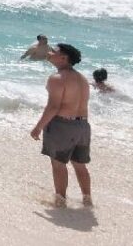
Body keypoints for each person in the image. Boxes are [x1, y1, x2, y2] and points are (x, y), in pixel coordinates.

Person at [30, 43, 92, 207]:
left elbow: (53, 107)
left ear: (64, 58)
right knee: (80, 166)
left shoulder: (57, 78)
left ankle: (60, 200)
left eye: (54, 52)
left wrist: (38, 127)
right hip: (83, 126)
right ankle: (87, 199)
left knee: (58, 164)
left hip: (63, 126)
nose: (49, 53)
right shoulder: (82, 79)